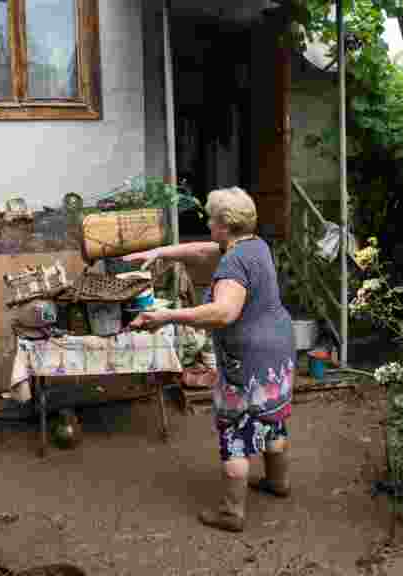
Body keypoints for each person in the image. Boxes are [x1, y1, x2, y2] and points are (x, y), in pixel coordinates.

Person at [124, 186, 295, 533]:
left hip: (247, 357)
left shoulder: (233, 262)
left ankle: (232, 513)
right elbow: (204, 251)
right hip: (277, 349)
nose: (207, 224)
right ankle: (279, 483)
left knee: (236, 430)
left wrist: (167, 316)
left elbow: (223, 313)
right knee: (270, 415)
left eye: (211, 218)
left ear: (222, 224)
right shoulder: (254, 245)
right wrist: (161, 252)